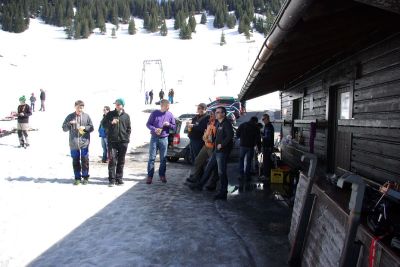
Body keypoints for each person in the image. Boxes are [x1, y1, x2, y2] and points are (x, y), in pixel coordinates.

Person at [189, 107, 234, 200]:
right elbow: (216, 136)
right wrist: (211, 140)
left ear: (223, 114)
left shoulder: (226, 123)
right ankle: (200, 185)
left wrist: (222, 144)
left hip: (223, 152)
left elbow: (230, 135)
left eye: (218, 112)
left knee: (221, 172)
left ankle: (223, 192)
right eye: (216, 112)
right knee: (208, 168)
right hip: (216, 151)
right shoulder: (218, 123)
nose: (216, 114)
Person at [62, 100, 94, 185]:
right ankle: (77, 178)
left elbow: (92, 128)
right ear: (75, 107)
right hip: (74, 143)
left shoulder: (86, 116)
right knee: (75, 161)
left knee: (85, 160)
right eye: (78, 107)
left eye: (81, 107)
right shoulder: (70, 116)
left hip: (84, 142)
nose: (80, 109)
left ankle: (85, 177)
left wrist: (85, 128)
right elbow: (64, 128)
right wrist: (69, 123)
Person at [102, 98, 131, 187]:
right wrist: (111, 122)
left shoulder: (126, 116)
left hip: (123, 141)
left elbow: (129, 128)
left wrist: (127, 138)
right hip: (112, 141)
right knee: (112, 160)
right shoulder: (110, 114)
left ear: (122, 105)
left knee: (121, 161)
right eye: (116, 104)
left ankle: (119, 179)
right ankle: (112, 180)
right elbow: (103, 124)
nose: (117, 106)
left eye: (118, 104)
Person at [145, 99, 176, 184]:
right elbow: (148, 124)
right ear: (163, 106)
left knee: (163, 159)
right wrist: (154, 129)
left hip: (164, 138)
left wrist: (168, 125)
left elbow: (174, 127)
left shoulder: (170, 114)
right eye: (167, 106)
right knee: (152, 158)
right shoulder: (155, 113)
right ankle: (150, 176)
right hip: (154, 138)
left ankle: (162, 175)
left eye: (168, 106)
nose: (168, 107)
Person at [186, 110, 216, 183]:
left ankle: (211, 182)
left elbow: (220, 136)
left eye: (213, 115)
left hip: (212, 147)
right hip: (206, 145)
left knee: (213, 166)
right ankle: (196, 178)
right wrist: (205, 136)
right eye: (211, 114)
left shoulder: (217, 124)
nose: (211, 116)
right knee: (197, 161)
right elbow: (206, 132)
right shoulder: (209, 122)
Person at [236, 116, 261, 189]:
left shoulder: (243, 125)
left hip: (242, 145)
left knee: (241, 160)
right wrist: (259, 148)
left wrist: (241, 138)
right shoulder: (256, 128)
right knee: (249, 161)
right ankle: (247, 176)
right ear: (255, 121)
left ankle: (241, 175)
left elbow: (237, 134)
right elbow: (258, 139)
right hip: (250, 147)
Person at [262, 113, 275, 180]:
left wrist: (262, 136)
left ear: (267, 119)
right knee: (267, 161)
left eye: (263, 119)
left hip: (267, 147)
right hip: (268, 146)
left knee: (266, 161)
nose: (262, 120)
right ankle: (266, 175)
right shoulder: (267, 126)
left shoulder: (268, 126)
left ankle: (266, 176)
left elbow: (267, 137)